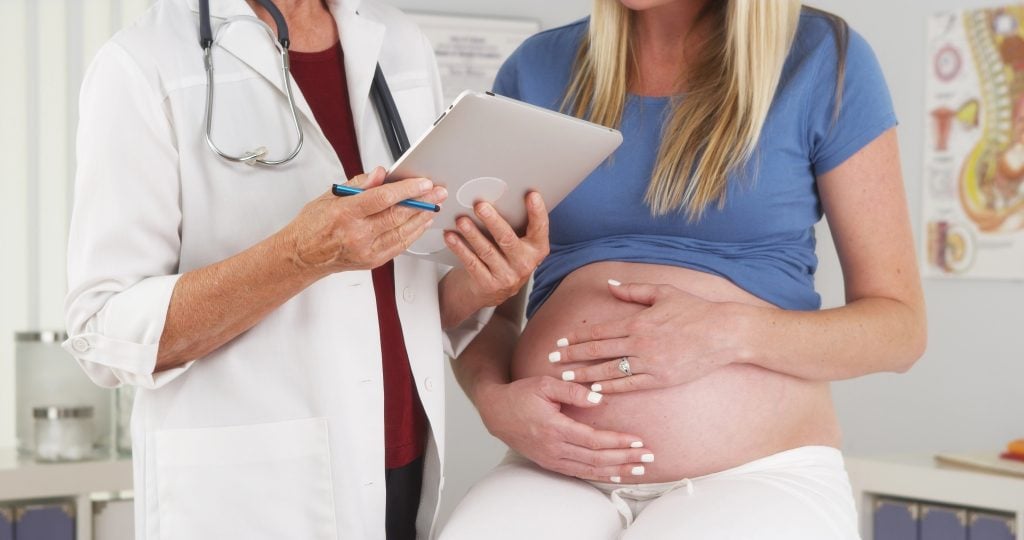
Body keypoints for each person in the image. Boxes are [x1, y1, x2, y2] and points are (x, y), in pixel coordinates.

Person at [62, 0, 549, 539]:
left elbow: (406, 297)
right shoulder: (143, 63)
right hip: (257, 491)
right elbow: (103, 330)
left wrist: (482, 286)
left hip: (399, 466)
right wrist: (296, 258)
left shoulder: (399, 43)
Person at [442, 0, 925, 538]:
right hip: (557, 470)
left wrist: (727, 334)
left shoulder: (822, 58)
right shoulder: (536, 68)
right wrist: (492, 400)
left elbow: (899, 329)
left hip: (756, 471)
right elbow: (485, 306)